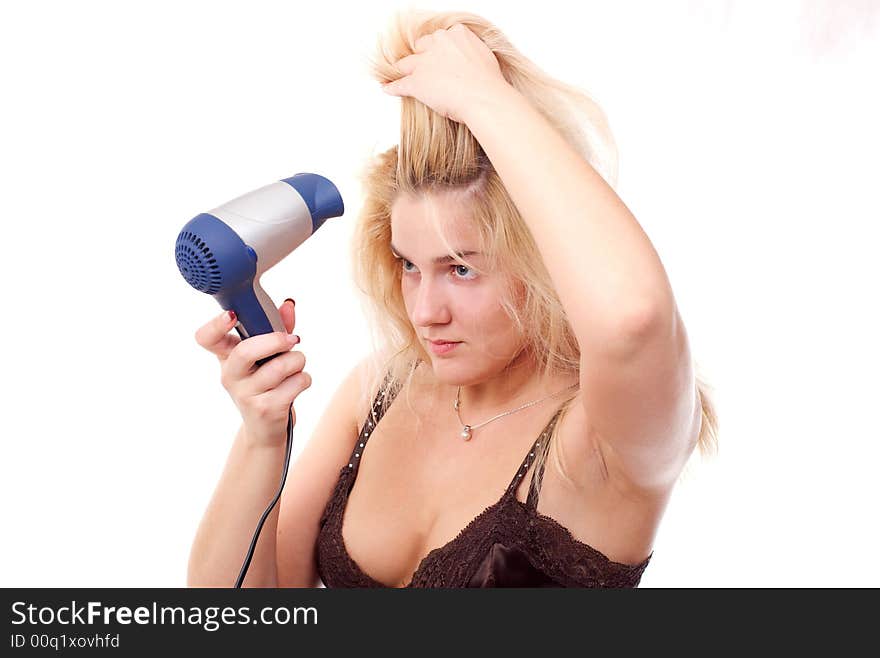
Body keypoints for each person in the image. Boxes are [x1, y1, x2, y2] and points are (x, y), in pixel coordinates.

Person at [187, 10, 719, 588]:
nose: (424, 311)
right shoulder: (382, 390)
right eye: (409, 266)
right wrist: (262, 436)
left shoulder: (606, 438)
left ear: (540, 258)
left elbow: (633, 316)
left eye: (461, 269)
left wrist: (485, 101)